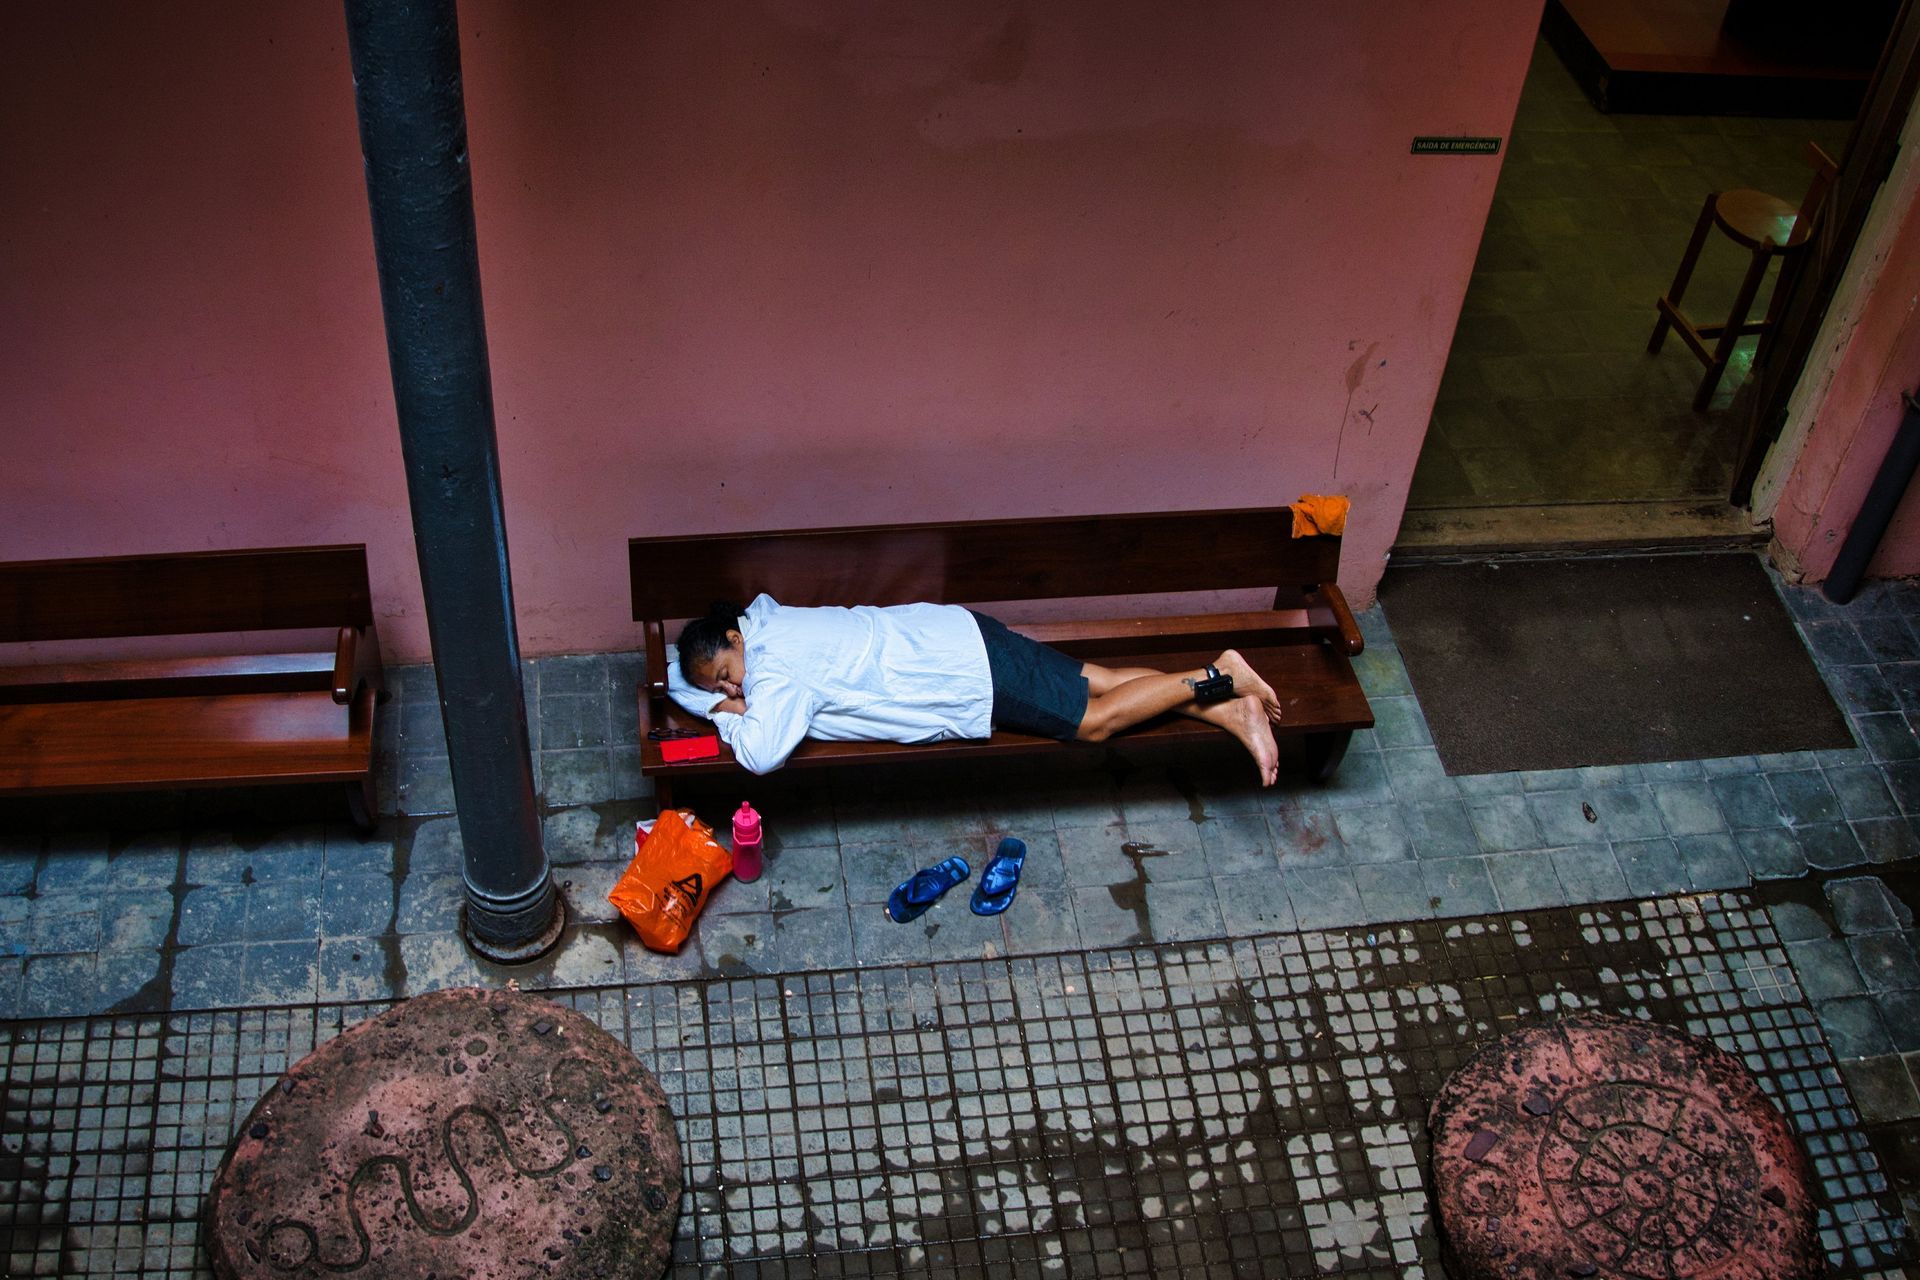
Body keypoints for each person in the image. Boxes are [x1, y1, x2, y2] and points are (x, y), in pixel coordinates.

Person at [666, 594, 1285, 782]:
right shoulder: (771, 621)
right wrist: (720, 690)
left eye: (726, 672)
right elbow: (676, 676)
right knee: (1095, 680)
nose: (733, 684)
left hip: (966, 674)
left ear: (736, 638)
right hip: (958, 632)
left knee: (1094, 722)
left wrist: (725, 711)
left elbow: (761, 754)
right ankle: (1232, 710)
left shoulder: (775, 668)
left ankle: (1219, 674)